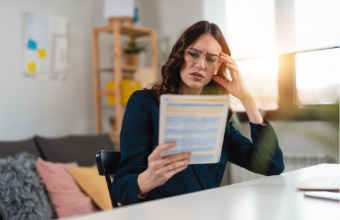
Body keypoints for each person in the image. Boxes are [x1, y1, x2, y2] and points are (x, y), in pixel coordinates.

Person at [111, 21, 284, 205]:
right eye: (193, 54)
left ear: (217, 67)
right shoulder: (145, 103)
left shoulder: (218, 117)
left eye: (210, 59)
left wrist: (247, 100)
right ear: (180, 55)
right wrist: (146, 180)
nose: (201, 65)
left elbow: (271, 165)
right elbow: (120, 188)